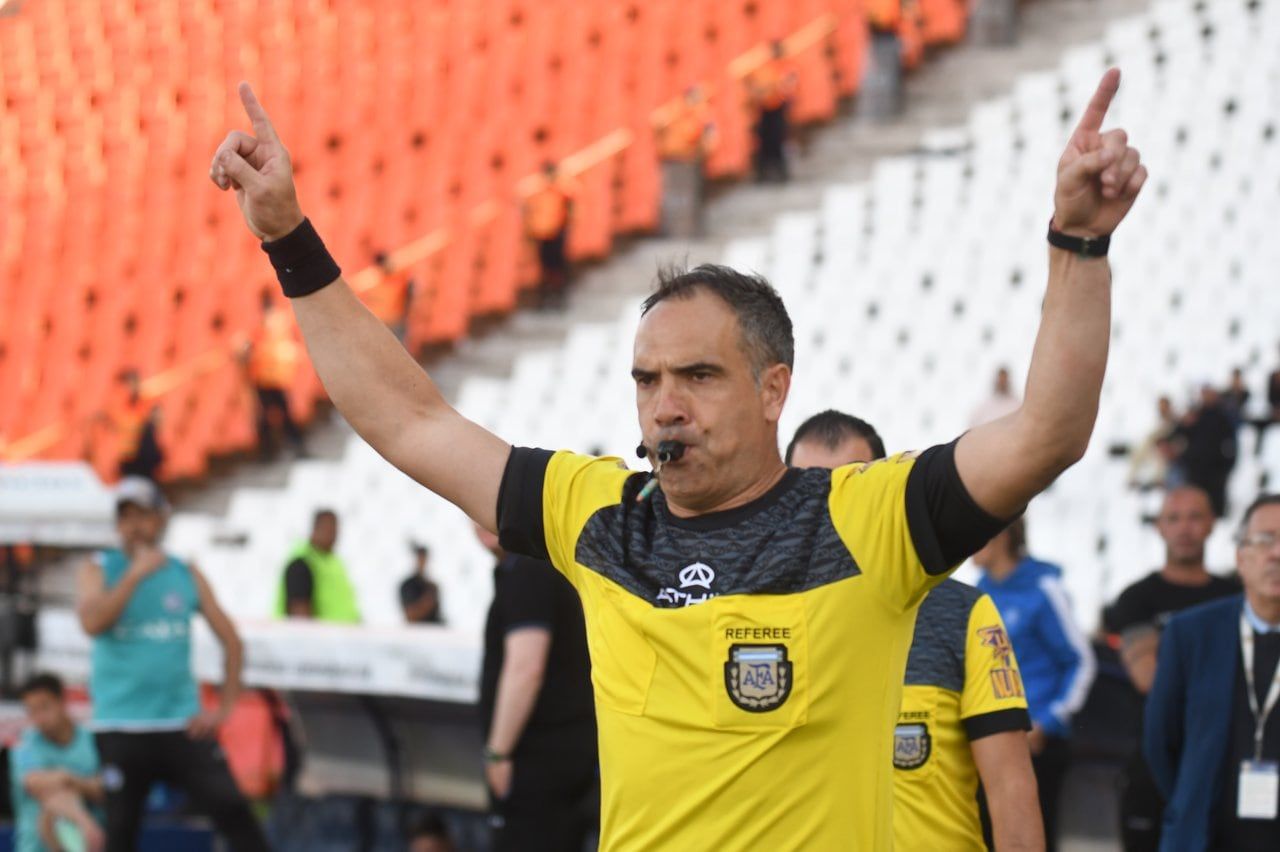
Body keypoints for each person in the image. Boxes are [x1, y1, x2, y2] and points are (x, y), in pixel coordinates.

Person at [210, 68, 1145, 848]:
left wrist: (1080, 243)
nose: (667, 406)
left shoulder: (867, 517)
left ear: (774, 389)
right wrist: (289, 237)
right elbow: (409, 421)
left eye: (698, 376)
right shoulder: (599, 517)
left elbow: (1047, 432)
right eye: (647, 380)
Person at [788, 412, 1044, 852]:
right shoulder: (749, 609)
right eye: (810, 491)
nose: (826, 511)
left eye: (846, 487)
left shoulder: (963, 613)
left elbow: (1009, 789)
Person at [75, 477, 269, 852]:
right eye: (126, 517)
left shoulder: (184, 572)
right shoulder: (99, 568)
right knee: (121, 830)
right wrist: (134, 575)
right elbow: (92, 623)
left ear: (162, 519)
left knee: (235, 814)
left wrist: (224, 708)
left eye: (143, 516)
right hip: (121, 725)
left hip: (180, 724)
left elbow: (231, 641)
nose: (135, 526)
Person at [1102, 486, 1241, 851]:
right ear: (1159, 527)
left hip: (1226, 765)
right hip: (1155, 765)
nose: (1185, 528)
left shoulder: (1236, 596)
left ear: (1212, 524)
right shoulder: (1137, 598)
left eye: (1195, 517)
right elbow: (1147, 678)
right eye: (1174, 518)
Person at [1145, 494, 1280, 851]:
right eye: (1264, 540)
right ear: (1241, 558)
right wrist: (1190, 799)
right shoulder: (1191, 633)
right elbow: (1161, 739)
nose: (1276, 554)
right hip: (1205, 837)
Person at [974, 518, 1097, 852]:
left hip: (1037, 744)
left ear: (1001, 533)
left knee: (1033, 839)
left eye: (974, 529)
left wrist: (1048, 722)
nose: (966, 540)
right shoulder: (978, 592)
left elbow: (1080, 661)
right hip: (990, 743)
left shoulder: (1044, 587)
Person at [476, 525, 596, 852]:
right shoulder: (540, 568)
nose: (480, 522)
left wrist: (498, 751)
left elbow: (526, 667)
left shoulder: (528, 572)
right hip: (560, 757)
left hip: (537, 762)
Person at [10, 673, 105, 852]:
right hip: (37, 847)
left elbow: (106, 789)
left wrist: (69, 780)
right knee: (53, 799)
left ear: (62, 701)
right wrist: (82, 815)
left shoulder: (93, 741)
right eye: (32, 711)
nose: (39, 718)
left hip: (90, 845)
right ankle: (87, 831)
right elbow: (35, 784)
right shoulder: (24, 742)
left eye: (44, 707)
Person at [244, 291, 307, 460]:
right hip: (269, 375)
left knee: (276, 413)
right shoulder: (277, 322)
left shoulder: (267, 325)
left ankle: (277, 448)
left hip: (269, 375)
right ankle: (278, 447)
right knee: (274, 414)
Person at [277, 508, 360, 622]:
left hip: (342, 637)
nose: (334, 535)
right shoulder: (301, 564)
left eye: (335, 530)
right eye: (329, 529)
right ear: (316, 528)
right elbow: (299, 616)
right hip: (320, 638)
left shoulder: (334, 562)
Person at [655, 85, 717, 238]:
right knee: (673, 197)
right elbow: (657, 123)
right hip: (673, 160)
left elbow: (710, 138)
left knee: (692, 197)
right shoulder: (673, 113)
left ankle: (691, 230)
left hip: (692, 161)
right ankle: (673, 230)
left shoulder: (702, 116)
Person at [1173, 384, 1237, 516]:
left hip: (1216, 470)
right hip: (1195, 469)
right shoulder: (1195, 414)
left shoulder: (1223, 415)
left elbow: (1231, 442)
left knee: (1215, 509)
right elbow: (1179, 434)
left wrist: (1227, 466)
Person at [523, 161, 576, 309]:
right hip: (542, 234)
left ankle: (559, 296)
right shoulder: (539, 193)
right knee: (544, 268)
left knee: (558, 266)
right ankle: (545, 298)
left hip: (557, 233)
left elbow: (571, 204)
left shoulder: (562, 191)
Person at [747, 41, 796, 183]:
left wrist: (775, 88)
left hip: (779, 108)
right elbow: (755, 87)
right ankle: (763, 173)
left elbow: (788, 87)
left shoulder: (786, 67)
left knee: (778, 140)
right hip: (764, 110)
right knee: (763, 141)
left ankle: (780, 172)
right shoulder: (764, 68)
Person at [102, 369, 164, 481]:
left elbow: (156, 420)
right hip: (129, 458)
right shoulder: (121, 408)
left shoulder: (146, 404)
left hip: (143, 457)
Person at [1127, 395, 1179, 490]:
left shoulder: (1175, 419)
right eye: (1160, 406)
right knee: (1139, 452)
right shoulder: (1157, 421)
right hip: (1156, 447)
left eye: (1164, 405)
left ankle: (1159, 480)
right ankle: (1133, 478)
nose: (1162, 408)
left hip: (1170, 448)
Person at [400, 544, 442, 624]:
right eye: (420, 558)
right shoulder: (408, 586)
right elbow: (410, 616)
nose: (422, 562)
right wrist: (427, 601)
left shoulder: (432, 587)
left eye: (424, 558)